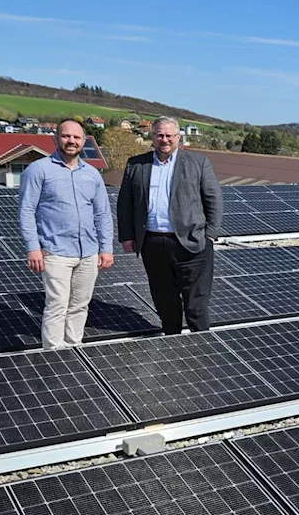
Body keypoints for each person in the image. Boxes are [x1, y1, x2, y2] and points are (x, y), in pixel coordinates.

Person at [117, 116, 223, 334]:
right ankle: (172, 342)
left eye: (169, 135)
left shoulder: (198, 163)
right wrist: (127, 237)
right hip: (153, 244)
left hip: (192, 244)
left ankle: (201, 346)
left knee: (196, 305)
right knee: (165, 302)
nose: (164, 140)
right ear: (152, 136)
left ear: (178, 137)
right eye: (159, 135)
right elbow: (124, 203)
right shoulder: (136, 165)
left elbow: (214, 199)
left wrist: (210, 236)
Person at [19, 119, 114, 349]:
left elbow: (102, 214)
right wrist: (33, 247)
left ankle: (73, 348)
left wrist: (106, 248)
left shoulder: (92, 174)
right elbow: (26, 210)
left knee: (80, 305)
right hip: (55, 252)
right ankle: (53, 354)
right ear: (55, 139)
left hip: (88, 253)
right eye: (66, 136)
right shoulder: (39, 170)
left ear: (83, 141)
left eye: (76, 137)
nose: (71, 141)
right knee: (57, 305)